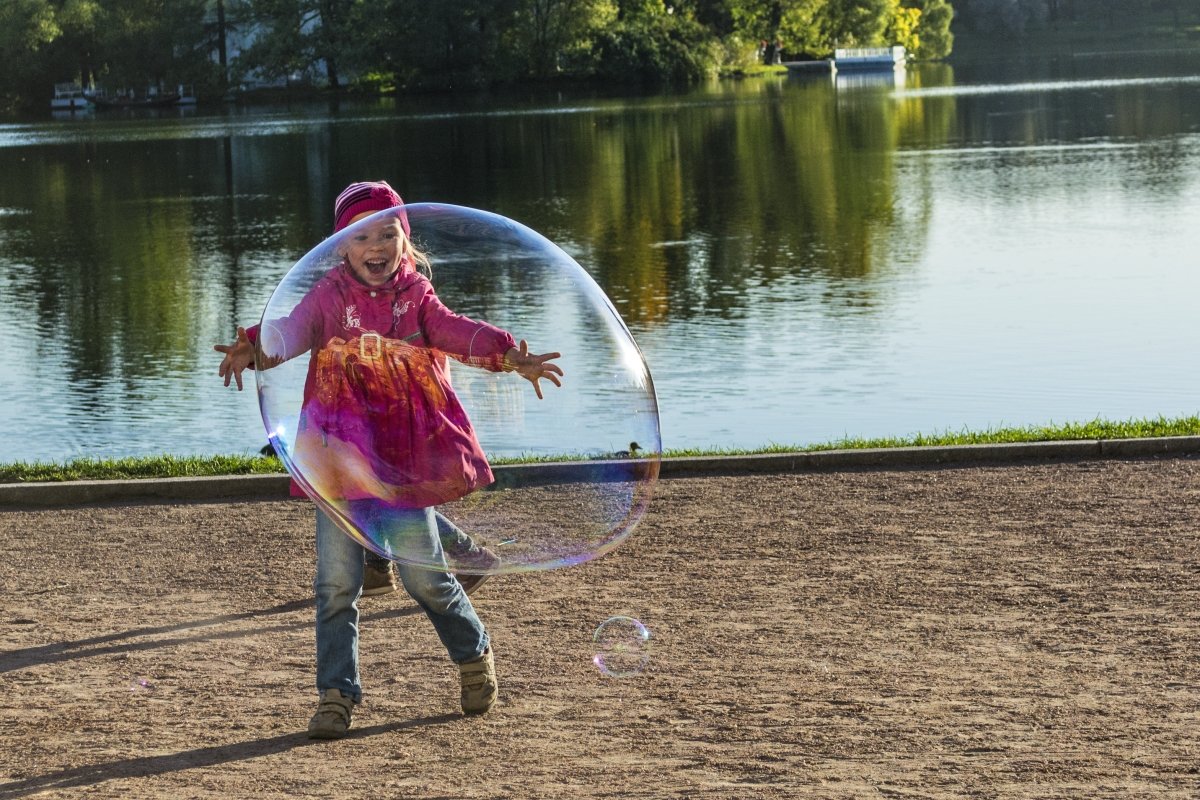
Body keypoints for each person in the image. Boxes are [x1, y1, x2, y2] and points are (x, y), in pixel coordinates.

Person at [215, 180, 563, 738]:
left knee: (426, 580)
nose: (376, 245)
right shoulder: (329, 296)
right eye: (363, 237)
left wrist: (507, 352)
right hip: (338, 462)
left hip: (402, 465)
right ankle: (336, 695)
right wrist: (256, 346)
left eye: (388, 233)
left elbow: (456, 332)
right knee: (334, 586)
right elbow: (292, 330)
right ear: (341, 247)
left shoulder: (416, 296)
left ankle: (473, 654)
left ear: (405, 238)